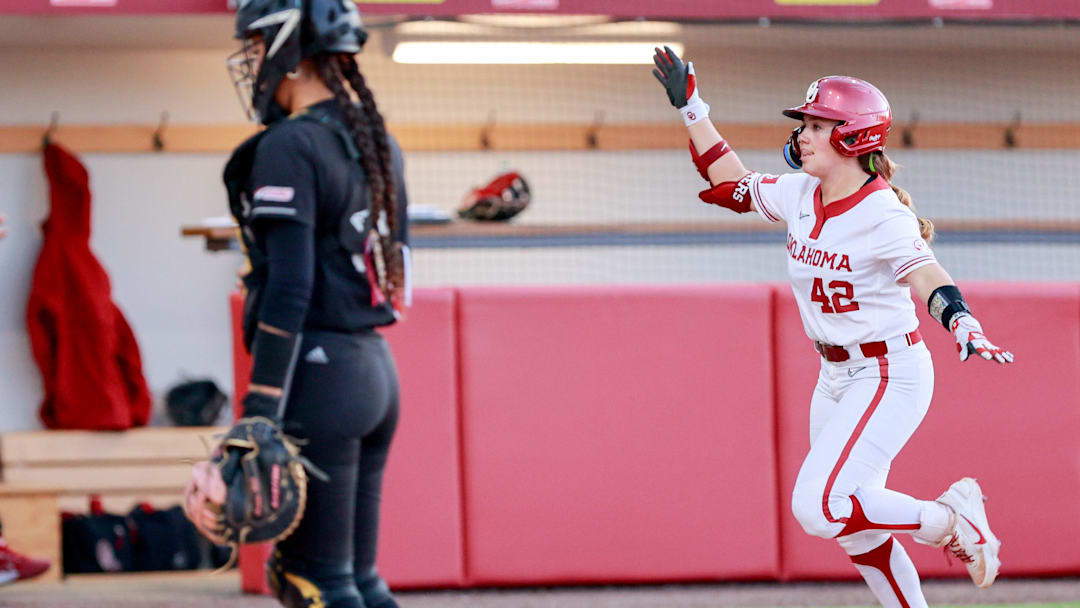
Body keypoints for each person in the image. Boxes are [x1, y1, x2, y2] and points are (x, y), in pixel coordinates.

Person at [653, 48, 1012, 607]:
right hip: (836, 374)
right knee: (855, 528)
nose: (805, 135)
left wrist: (962, 321)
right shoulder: (801, 194)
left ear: (855, 137)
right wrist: (692, 107)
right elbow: (729, 185)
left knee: (818, 507)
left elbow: (926, 276)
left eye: (819, 125)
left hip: (889, 371)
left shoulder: (882, 211)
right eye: (805, 124)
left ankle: (950, 518)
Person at [184, 1, 409, 607]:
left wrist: (260, 406)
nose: (251, 63)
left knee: (314, 583)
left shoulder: (290, 145)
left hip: (321, 375)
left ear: (286, 50)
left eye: (255, 47)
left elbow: (290, 286)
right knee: (358, 581)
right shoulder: (377, 139)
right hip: (374, 372)